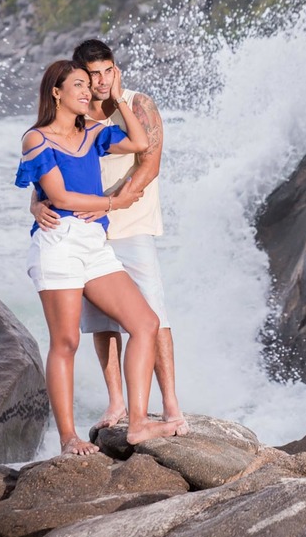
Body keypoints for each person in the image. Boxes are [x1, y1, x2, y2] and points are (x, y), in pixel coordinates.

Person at [15, 59, 182, 455]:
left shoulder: (92, 131)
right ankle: (68, 437)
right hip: (59, 243)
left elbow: (141, 144)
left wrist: (121, 96)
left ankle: (139, 422)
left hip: (94, 242)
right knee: (66, 341)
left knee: (145, 322)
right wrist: (114, 201)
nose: (87, 91)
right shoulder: (36, 139)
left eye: (87, 86)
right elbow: (59, 197)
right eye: (78, 85)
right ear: (56, 92)